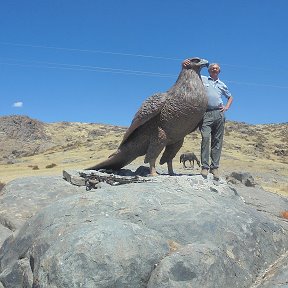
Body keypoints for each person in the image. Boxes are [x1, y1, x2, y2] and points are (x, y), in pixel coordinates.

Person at [182, 60, 233, 180]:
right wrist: (184, 65)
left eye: (216, 68)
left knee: (217, 141)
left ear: (219, 71)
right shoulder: (203, 79)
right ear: (209, 71)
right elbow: (190, 73)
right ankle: (204, 166)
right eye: (212, 68)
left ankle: (214, 167)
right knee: (205, 138)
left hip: (219, 114)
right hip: (205, 113)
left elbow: (230, 96)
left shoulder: (222, 84)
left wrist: (226, 107)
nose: (214, 69)